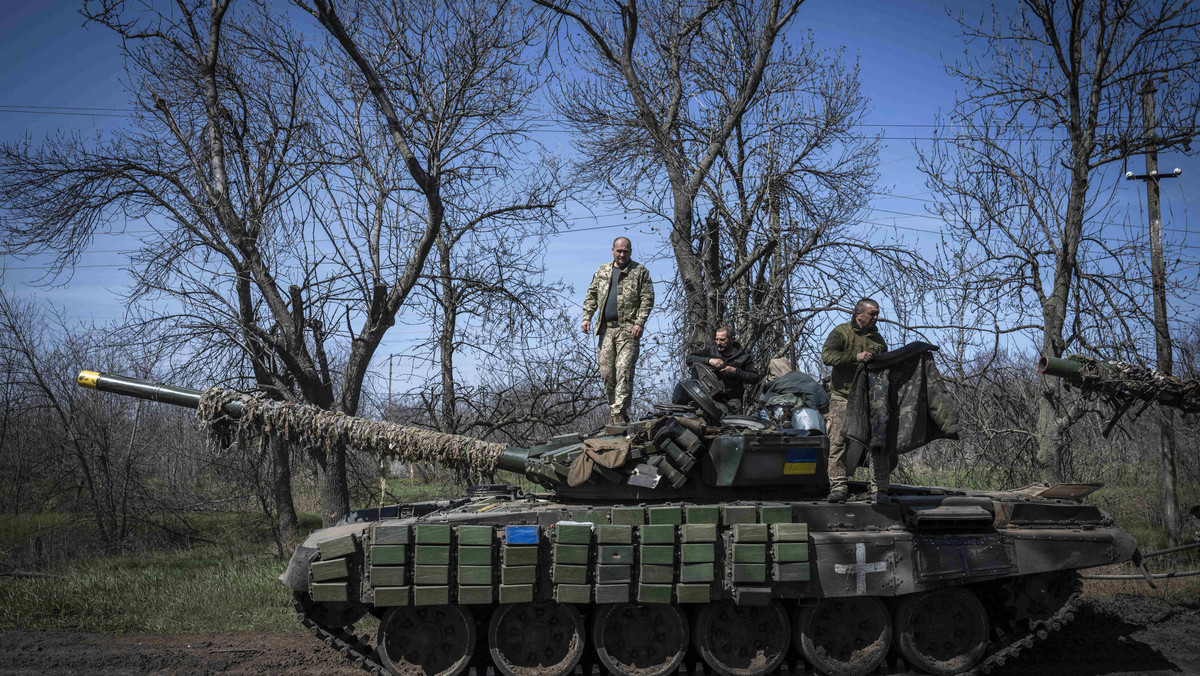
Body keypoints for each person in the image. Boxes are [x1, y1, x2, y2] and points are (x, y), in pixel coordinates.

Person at [581, 237, 655, 425]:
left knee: (623, 370)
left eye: (626, 251)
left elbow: (647, 299)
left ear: (631, 252)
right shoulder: (603, 270)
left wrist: (639, 323)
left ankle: (619, 412)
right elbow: (592, 295)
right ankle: (616, 411)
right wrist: (587, 317)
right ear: (612, 250)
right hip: (606, 330)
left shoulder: (640, 272)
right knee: (607, 374)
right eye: (619, 251)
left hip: (628, 331)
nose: (622, 255)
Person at [822, 298, 888, 503]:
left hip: (870, 398)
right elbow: (827, 356)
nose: (876, 318)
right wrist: (856, 356)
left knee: (878, 443)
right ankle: (839, 487)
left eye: (877, 314)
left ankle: (879, 489)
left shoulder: (877, 338)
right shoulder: (841, 332)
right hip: (843, 396)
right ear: (858, 314)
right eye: (872, 314)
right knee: (838, 443)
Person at [685, 325, 759, 415]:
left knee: (730, 420)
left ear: (732, 339)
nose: (718, 343)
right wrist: (709, 360)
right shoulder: (712, 351)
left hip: (733, 398)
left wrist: (735, 372)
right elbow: (689, 359)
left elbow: (755, 377)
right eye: (717, 339)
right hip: (710, 395)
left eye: (722, 340)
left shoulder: (743, 357)